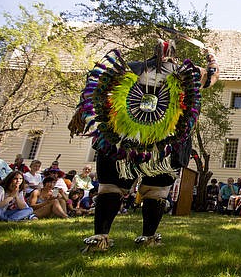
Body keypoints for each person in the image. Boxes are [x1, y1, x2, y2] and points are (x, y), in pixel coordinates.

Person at [69, 37, 219, 251]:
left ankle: (100, 237)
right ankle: (148, 237)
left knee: (111, 187)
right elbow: (213, 75)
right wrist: (210, 55)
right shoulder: (188, 74)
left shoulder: (128, 69)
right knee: (156, 191)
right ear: (174, 55)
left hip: (123, 143)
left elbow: (96, 91)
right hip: (163, 147)